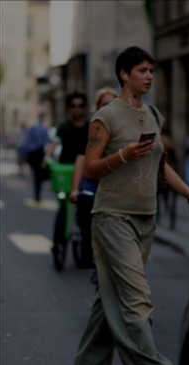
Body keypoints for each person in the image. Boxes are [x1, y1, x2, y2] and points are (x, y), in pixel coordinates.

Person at [70, 46, 189, 365]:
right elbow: (91, 169)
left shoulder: (152, 115)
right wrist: (121, 156)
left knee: (110, 300)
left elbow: (162, 166)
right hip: (112, 216)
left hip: (146, 217)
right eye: (142, 70)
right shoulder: (105, 117)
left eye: (151, 71)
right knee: (137, 300)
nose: (148, 76)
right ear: (124, 75)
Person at [70, 87, 118, 275]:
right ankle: (86, 247)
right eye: (105, 104)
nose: (109, 108)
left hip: (114, 184)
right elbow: (81, 159)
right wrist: (75, 189)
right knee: (85, 204)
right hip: (92, 183)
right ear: (98, 107)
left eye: (113, 104)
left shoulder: (122, 128)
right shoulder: (92, 128)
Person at [24, 114, 51, 204]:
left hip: (33, 155)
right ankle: (38, 193)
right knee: (39, 175)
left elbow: (28, 143)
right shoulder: (44, 129)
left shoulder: (32, 129)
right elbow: (47, 142)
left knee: (36, 175)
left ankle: (37, 193)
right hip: (40, 154)